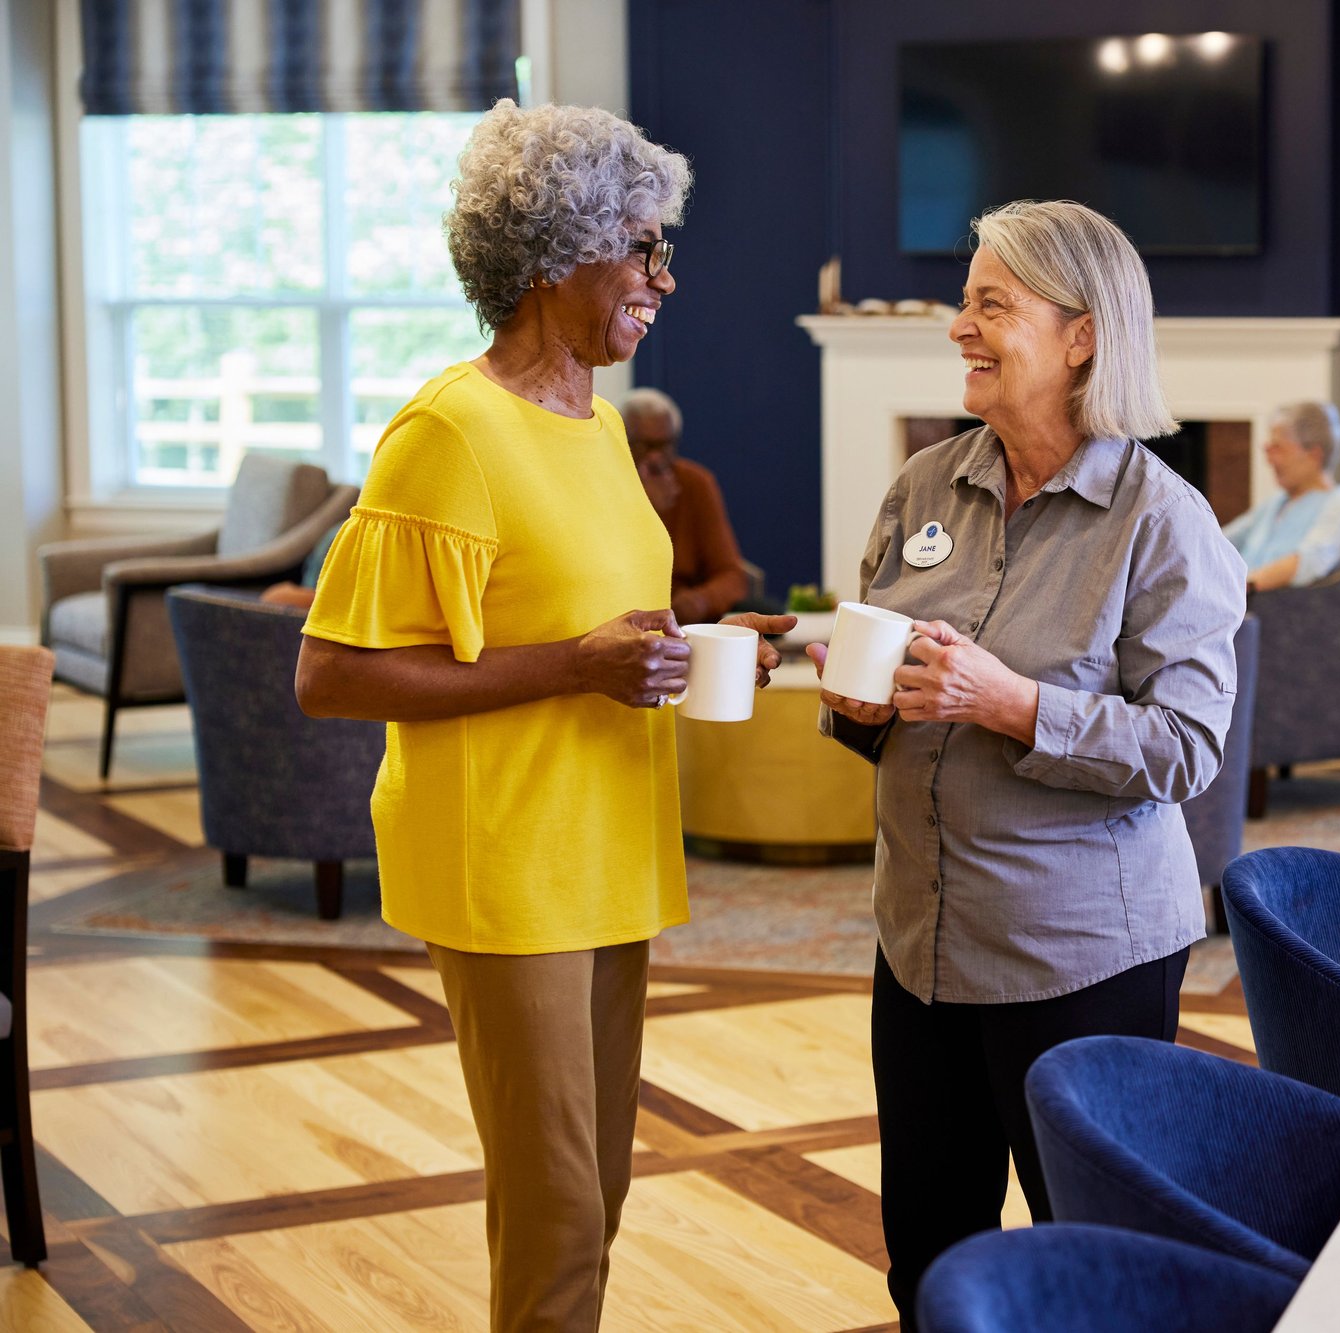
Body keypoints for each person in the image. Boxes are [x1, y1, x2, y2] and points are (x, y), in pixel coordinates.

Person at [293, 100, 791, 1331]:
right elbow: (331, 674)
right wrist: (573, 665)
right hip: (507, 865)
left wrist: (713, 642)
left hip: (611, 848)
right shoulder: (446, 431)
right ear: (556, 253)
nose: (663, 278)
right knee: (558, 1208)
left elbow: (599, 627)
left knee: (597, 1191)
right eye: (643, 248)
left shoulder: (603, 424)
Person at [806, 199, 1245, 1322]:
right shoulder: (922, 488)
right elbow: (884, 688)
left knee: (1084, 1263)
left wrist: (1013, 705)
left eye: (990, 304)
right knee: (928, 1254)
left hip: (1078, 956)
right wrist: (857, 704)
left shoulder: (1164, 521)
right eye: (965, 301)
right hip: (920, 944)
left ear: (1081, 336)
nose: (959, 326)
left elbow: (1189, 746)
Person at [621, 387, 752, 623]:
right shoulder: (606, 481)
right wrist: (646, 508)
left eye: (663, 446)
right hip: (623, 614)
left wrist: (700, 601)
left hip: (686, 619)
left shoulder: (695, 483)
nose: (655, 458)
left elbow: (732, 576)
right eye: (643, 446)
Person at [1224, 400, 1340, 592]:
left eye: (1278, 449)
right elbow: (1224, 540)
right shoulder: (1277, 501)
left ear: (1314, 455)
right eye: (1268, 449)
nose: (1269, 460)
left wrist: (1239, 587)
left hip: (1260, 603)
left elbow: (1309, 561)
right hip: (1236, 600)